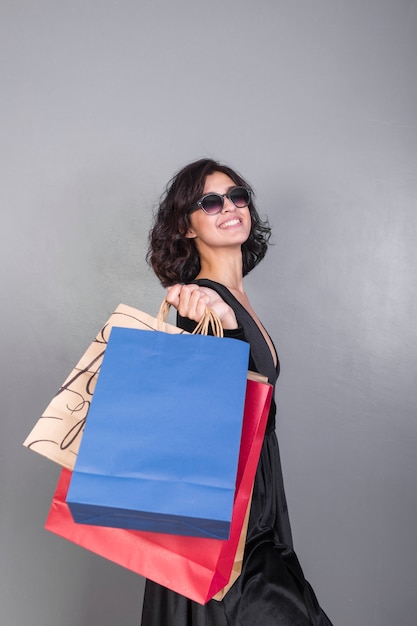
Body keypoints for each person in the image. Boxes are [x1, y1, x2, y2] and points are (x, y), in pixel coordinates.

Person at [141, 158, 333, 626]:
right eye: (210, 202)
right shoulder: (203, 303)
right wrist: (216, 324)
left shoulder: (235, 296)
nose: (229, 207)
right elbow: (203, 419)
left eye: (237, 196)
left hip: (260, 510)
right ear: (187, 227)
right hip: (230, 521)